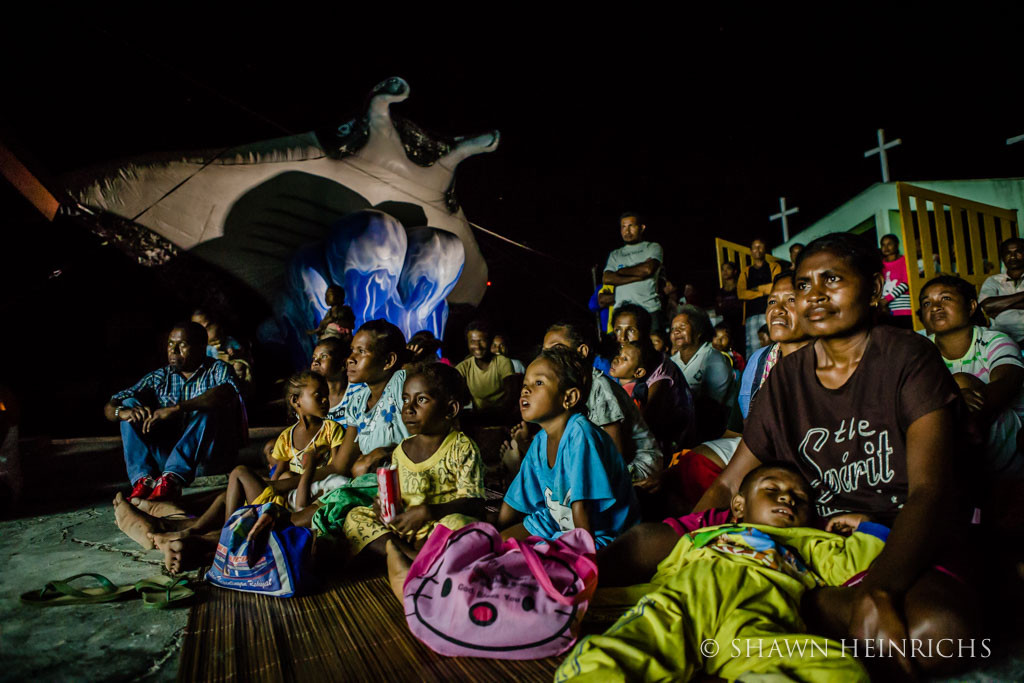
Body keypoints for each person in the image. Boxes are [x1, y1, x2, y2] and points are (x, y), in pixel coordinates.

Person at [695, 233, 979, 676]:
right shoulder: (785, 379)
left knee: (941, 634)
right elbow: (731, 483)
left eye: (832, 279)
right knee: (650, 544)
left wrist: (880, 589)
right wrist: (694, 548)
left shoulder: (907, 357)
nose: (815, 295)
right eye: (804, 285)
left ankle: (791, 615)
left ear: (873, 288)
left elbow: (931, 491)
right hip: (815, 544)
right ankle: (799, 612)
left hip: (902, 537)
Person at [558, 464, 884, 682]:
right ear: (739, 507)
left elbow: (854, 562)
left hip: (757, 620)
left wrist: (868, 526)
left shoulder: (809, 542)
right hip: (694, 593)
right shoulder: (715, 532)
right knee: (642, 635)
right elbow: (670, 568)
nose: (787, 497)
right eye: (773, 489)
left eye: (799, 498)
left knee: (837, 667)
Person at [497, 346, 639, 549]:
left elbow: (583, 509)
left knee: (541, 561)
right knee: (502, 543)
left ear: (569, 398)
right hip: (557, 522)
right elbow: (514, 500)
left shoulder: (581, 434)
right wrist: (495, 536)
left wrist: (585, 561)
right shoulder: (540, 441)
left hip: (600, 534)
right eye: (525, 384)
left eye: (538, 383)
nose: (526, 390)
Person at [342, 363, 486, 560]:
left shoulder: (461, 447)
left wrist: (429, 512)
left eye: (421, 400)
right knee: (356, 517)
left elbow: (474, 502)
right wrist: (383, 506)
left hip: (438, 528)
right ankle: (413, 558)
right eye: (405, 399)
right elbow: (398, 496)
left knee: (460, 524)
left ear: (451, 409)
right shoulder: (401, 450)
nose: (409, 408)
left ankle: (403, 557)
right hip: (405, 528)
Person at [105, 322, 243, 501]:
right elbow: (111, 405)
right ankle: (143, 481)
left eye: (182, 345)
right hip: (167, 460)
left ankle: (172, 479)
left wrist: (177, 409)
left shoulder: (218, 369)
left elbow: (226, 392)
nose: (173, 350)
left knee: (209, 407)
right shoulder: (159, 377)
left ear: (202, 347)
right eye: (171, 344)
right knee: (129, 404)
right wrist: (121, 412)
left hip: (209, 458)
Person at [919, 274, 1024, 477]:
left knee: (959, 381)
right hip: (953, 433)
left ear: (971, 306)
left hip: (1008, 436)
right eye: (926, 303)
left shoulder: (993, 340)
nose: (934, 307)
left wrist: (960, 407)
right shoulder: (919, 346)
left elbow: (1008, 381)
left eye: (945, 298)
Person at [542, 322, 663, 483]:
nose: (549, 357)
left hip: (640, 464)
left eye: (556, 348)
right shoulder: (569, 387)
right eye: (545, 352)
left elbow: (616, 455)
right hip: (606, 459)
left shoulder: (600, 388)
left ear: (582, 352)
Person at [614, 304, 696, 451]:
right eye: (618, 330)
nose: (622, 337)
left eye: (631, 330)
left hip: (672, 441)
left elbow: (645, 419)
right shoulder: (623, 359)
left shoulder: (660, 367)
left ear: (645, 332)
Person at [738, 270, 811, 419]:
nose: (777, 309)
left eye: (791, 300)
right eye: (772, 302)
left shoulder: (830, 361)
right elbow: (736, 430)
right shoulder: (757, 361)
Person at [669, 306, 734, 442]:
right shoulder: (671, 363)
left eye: (682, 326)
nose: (676, 331)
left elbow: (710, 408)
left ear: (698, 331)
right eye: (673, 328)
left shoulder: (714, 360)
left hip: (711, 432)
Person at [602, 212, 664, 330]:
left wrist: (621, 271)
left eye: (631, 226)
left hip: (649, 308)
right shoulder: (615, 254)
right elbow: (607, 278)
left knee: (654, 346)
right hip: (622, 311)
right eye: (623, 227)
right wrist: (637, 276)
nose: (627, 231)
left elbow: (647, 269)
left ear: (642, 228)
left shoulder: (652, 247)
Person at [455, 320, 519, 419]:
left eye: (482, 341)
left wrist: (495, 413)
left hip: (503, 416)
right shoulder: (464, 367)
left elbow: (511, 395)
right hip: (479, 417)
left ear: (489, 342)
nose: (477, 346)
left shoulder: (502, 362)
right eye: (472, 342)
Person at [736, 238, 781, 357]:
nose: (758, 250)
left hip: (769, 311)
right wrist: (763, 292)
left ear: (765, 249)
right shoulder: (745, 271)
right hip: (751, 315)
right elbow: (741, 293)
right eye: (755, 247)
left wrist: (755, 289)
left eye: (760, 246)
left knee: (771, 342)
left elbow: (776, 287)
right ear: (751, 251)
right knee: (752, 347)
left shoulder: (773, 267)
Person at [979, 236, 1024, 345]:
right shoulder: (993, 281)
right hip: (1001, 336)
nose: (1013, 257)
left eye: (1018, 252)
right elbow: (988, 306)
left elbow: (992, 306)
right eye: (1008, 253)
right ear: (1003, 258)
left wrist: (1000, 305)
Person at [879, 233, 913, 329]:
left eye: (889, 244)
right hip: (887, 310)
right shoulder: (881, 265)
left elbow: (906, 283)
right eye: (883, 245)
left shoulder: (905, 260)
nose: (886, 247)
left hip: (904, 308)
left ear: (897, 245)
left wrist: (886, 299)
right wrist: (882, 304)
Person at [714, 261, 744, 355]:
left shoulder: (740, 289)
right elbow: (717, 311)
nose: (725, 271)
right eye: (723, 269)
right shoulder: (720, 293)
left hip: (740, 325)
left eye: (728, 269)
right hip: (727, 325)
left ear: (734, 271)